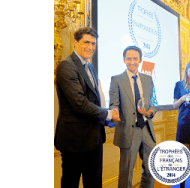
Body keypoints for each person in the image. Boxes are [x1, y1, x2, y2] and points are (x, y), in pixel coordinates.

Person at [54, 27, 120, 188]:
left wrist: (106, 117)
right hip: (74, 140)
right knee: (71, 183)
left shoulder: (90, 67)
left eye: (93, 44)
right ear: (75, 42)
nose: (90, 47)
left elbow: (94, 100)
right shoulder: (66, 66)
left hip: (94, 138)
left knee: (94, 182)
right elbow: (79, 104)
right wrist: (109, 114)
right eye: (86, 42)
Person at [109, 46, 157, 188]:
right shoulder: (116, 79)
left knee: (151, 168)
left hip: (147, 129)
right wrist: (113, 112)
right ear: (124, 60)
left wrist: (150, 112)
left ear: (140, 60)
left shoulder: (148, 79)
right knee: (126, 172)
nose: (132, 62)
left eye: (135, 58)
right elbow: (113, 103)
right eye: (128, 58)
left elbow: (153, 102)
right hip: (128, 131)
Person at [173, 59, 190, 188]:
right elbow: (174, 104)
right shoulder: (179, 85)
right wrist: (182, 99)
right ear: (187, 70)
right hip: (184, 126)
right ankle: (182, 185)